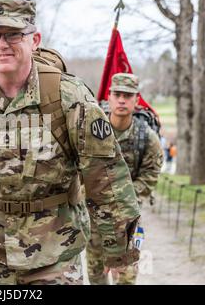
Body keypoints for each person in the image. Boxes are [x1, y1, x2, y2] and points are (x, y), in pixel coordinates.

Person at [0, 0, 140, 285]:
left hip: (55, 256)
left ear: (35, 40)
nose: (2, 44)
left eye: (14, 34)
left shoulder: (69, 99)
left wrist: (118, 250)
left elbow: (107, 178)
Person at [86, 73, 163, 285]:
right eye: (117, 94)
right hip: (95, 219)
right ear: (108, 97)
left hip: (129, 220)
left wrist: (120, 201)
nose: (122, 100)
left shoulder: (146, 137)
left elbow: (149, 177)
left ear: (136, 100)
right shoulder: (93, 133)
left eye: (127, 96)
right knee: (96, 277)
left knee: (127, 279)